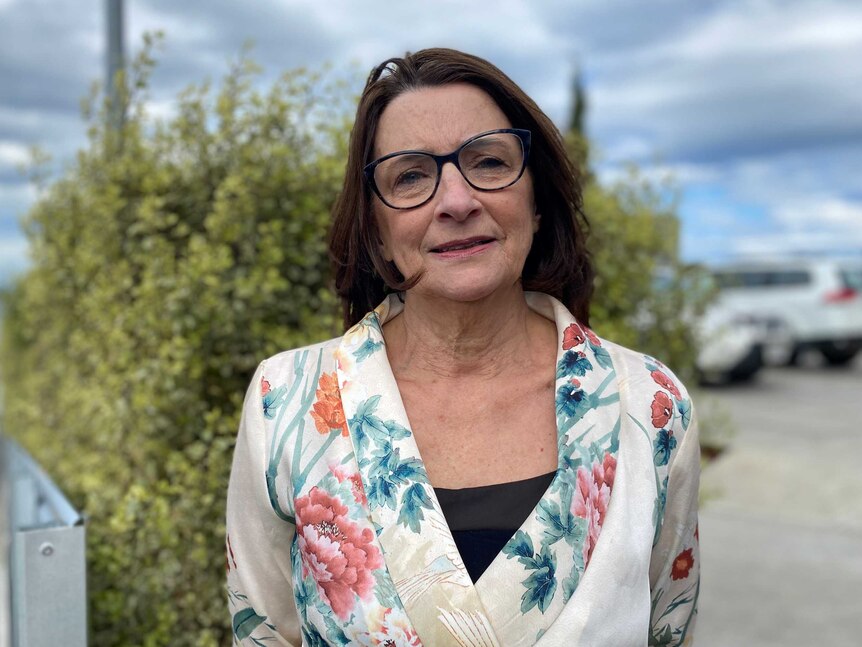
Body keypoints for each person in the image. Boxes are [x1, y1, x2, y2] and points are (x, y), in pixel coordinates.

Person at [226, 48, 700, 646]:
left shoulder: (651, 406)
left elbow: (670, 631)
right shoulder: (286, 403)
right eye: (412, 175)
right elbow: (264, 632)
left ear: (536, 198)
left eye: (489, 161)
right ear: (375, 227)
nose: (456, 200)